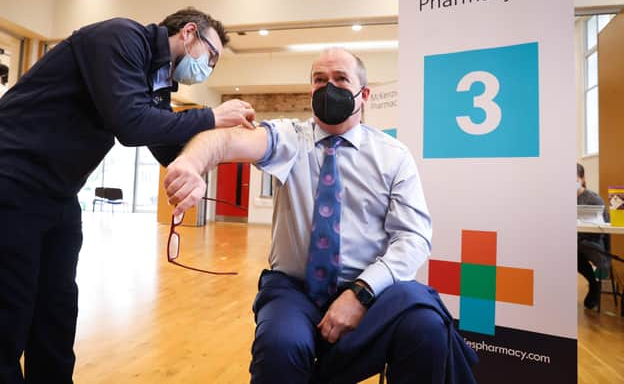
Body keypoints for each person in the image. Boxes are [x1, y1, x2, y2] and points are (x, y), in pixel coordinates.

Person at [165, 48, 477, 383]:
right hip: (295, 289)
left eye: (341, 79)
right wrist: (190, 163)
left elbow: (413, 237)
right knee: (280, 345)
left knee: (427, 327)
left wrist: (361, 292)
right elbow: (228, 140)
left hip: (373, 288)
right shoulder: (289, 139)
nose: (329, 88)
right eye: (319, 80)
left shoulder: (393, 156)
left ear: (364, 94)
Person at [0, 7, 256, 384]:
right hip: (9, 178)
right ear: (189, 32)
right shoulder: (121, 39)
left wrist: (212, 154)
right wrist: (212, 117)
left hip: (58, 192)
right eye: (210, 56)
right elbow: (130, 124)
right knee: (6, 311)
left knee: (57, 311)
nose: (207, 67)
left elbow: (163, 145)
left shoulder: (157, 80)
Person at [576, 163, 610, 310]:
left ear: (582, 179)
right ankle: (593, 284)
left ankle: (594, 286)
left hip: (593, 244)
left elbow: (606, 226)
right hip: (574, 245)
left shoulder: (593, 199)